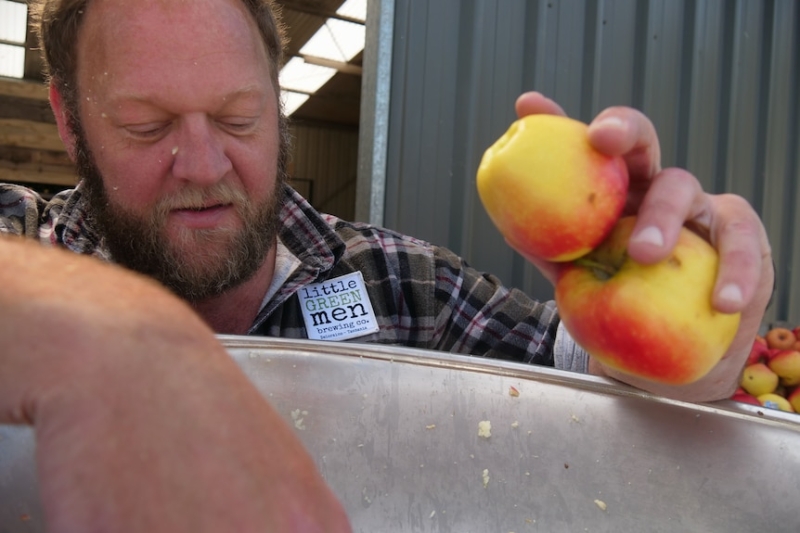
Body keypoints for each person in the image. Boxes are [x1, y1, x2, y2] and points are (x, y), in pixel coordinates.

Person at [0, 0, 773, 531]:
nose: (203, 164)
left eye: (239, 117)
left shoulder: (402, 284)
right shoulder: (25, 243)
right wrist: (95, 333)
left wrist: (690, 337)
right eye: (146, 125)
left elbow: (586, 387)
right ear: (69, 120)